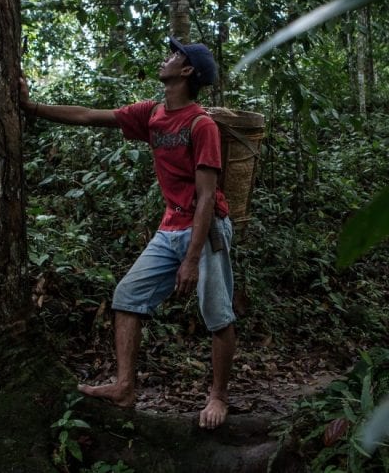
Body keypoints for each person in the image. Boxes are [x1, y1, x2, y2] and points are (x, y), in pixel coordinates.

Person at [19, 37, 236, 430]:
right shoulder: (151, 114)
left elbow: (206, 198)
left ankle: (218, 396)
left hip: (207, 230)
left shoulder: (201, 124)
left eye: (175, 55)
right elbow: (88, 115)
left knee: (216, 314)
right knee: (127, 296)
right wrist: (30, 107)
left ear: (186, 71)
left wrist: (191, 259)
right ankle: (124, 387)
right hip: (170, 226)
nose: (166, 57)